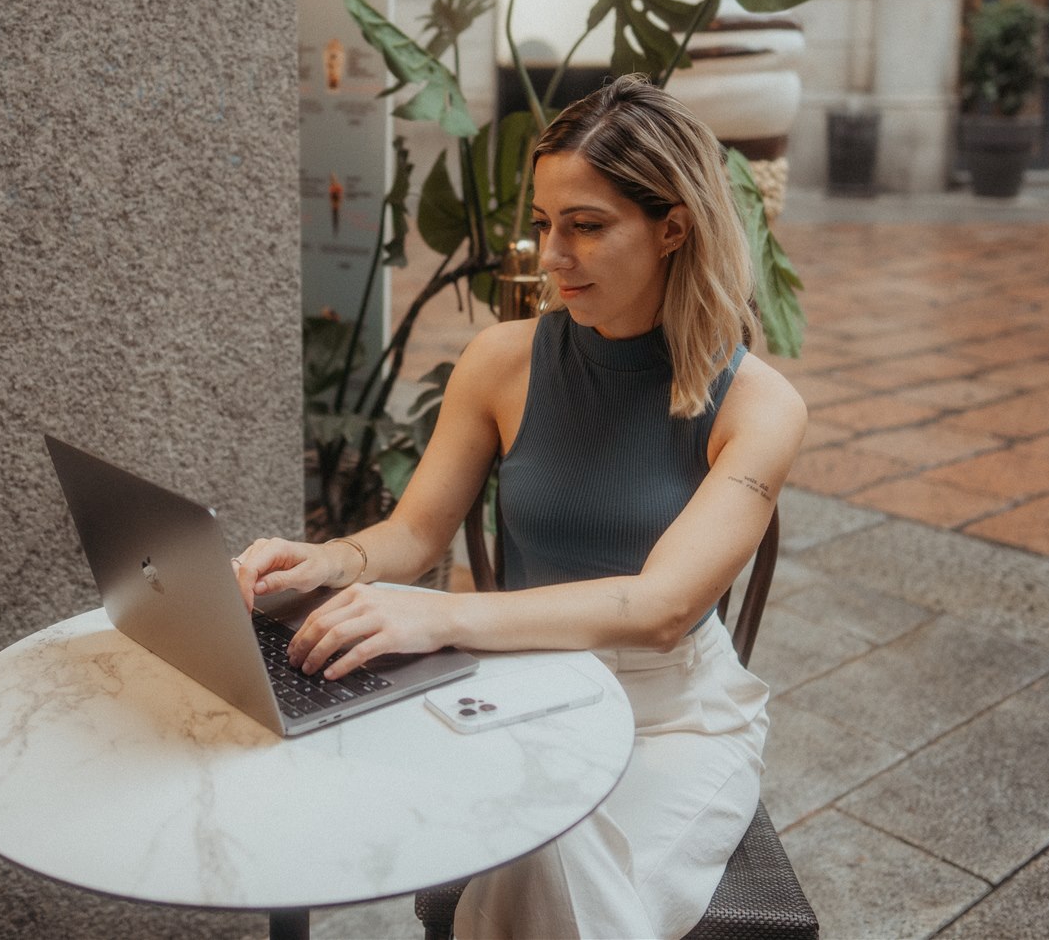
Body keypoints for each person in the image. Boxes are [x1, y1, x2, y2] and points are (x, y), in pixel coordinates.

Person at [236, 75, 806, 940]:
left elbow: (660, 610)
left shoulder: (758, 404)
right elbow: (416, 531)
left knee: (550, 850)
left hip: (675, 718)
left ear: (672, 226)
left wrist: (441, 616)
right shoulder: (503, 361)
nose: (552, 254)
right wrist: (331, 560)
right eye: (543, 224)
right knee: (529, 842)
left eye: (586, 225)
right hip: (526, 688)